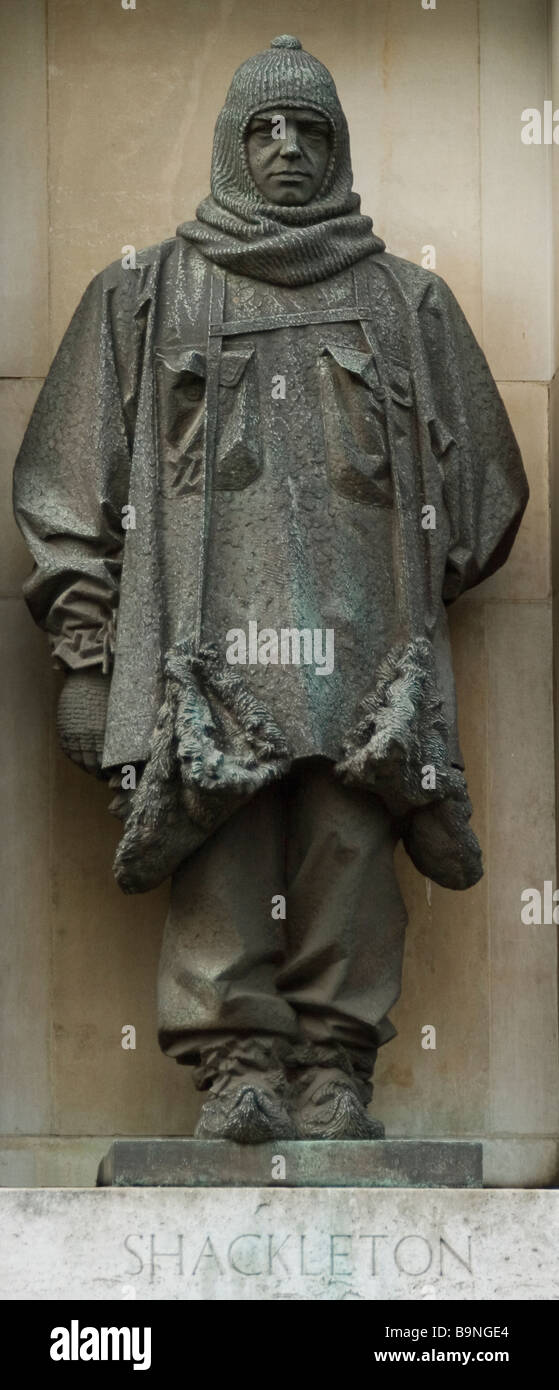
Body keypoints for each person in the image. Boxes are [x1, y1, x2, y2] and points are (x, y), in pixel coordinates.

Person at [13, 36, 528, 1142]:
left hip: (363, 663)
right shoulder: (143, 297)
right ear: (229, 148)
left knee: (349, 850)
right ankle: (238, 1066)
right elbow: (63, 484)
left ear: (337, 149)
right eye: (263, 129)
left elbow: (486, 487)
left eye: (309, 130)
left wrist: (398, 583)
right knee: (221, 849)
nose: (287, 148)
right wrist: (88, 645)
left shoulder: (407, 304)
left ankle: (337, 1067)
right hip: (201, 662)